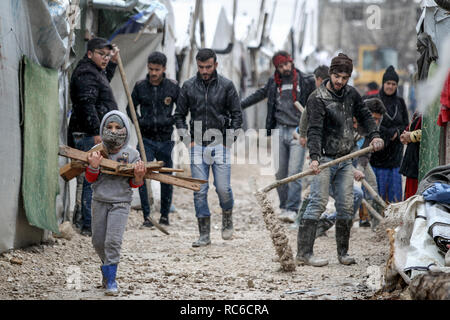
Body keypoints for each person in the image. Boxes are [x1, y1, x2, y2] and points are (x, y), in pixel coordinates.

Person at [297, 53, 384, 267]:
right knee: (317, 203)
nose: (340, 82)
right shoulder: (317, 98)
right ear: (330, 74)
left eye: (344, 78)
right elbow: (314, 130)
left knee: (346, 205)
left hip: (345, 158)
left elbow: (364, 116)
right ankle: (303, 253)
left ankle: (343, 253)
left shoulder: (352, 95)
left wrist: (374, 135)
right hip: (325, 159)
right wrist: (315, 158)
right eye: (337, 76)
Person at [174, 48, 242, 247]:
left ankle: (227, 215)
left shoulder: (227, 86)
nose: (204, 71)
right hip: (197, 145)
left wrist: (228, 142)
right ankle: (204, 234)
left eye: (208, 67)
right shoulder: (188, 86)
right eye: (201, 67)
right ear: (197, 65)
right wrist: (187, 140)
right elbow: (179, 115)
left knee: (223, 188)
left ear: (216, 65)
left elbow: (237, 115)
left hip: (220, 144)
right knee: (199, 190)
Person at [241, 51, 316, 223]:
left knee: (294, 172)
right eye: (280, 66)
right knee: (279, 173)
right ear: (277, 68)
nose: (285, 68)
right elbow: (259, 95)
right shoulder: (274, 82)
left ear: (291, 62)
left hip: (299, 131)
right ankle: (284, 207)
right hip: (278, 130)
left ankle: (292, 208)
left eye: (286, 64)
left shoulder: (306, 81)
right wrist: (239, 105)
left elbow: (317, 101)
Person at [85, 110, 146, 295]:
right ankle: (106, 267)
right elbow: (90, 179)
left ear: (125, 130)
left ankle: (111, 279)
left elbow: (135, 184)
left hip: (120, 202)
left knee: (112, 241)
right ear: (103, 128)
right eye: (109, 127)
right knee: (97, 241)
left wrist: (138, 176)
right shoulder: (96, 152)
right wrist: (94, 166)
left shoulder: (132, 154)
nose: (113, 131)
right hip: (100, 200)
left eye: (118, 128)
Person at [68, 37, 120, 236]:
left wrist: (113, 62)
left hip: (91, 133)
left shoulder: (94, 71)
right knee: (91, 176)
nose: (105, 58)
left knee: (91, 176)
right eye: (101, 54)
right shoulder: (85, 73)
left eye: (107, 55)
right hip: (87, 134)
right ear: (90, 53)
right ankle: (87, 223)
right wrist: (95, 131)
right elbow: (86, 104)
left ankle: (87, 221)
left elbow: (104, 81)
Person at [126, 51, 179, 228]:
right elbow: (130, 108)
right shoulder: (140, 86)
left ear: (164, 68)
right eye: (150, 69)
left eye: (157, 69)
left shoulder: (172, 87)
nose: (153, 73)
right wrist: (140, 122)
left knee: (166, 176)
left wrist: (171, 121)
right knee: (142, 173)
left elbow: (181, 110)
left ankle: (164, 216)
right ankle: (147, 216)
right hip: (145, 139)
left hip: (165, 139)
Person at [370, 66, 409, 203]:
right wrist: (388, 133)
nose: (390, 87)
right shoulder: (374, 101)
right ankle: (373, 216)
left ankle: (392, 219)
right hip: (378, 154)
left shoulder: (400, 102)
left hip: (395, 154)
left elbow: (406, 123)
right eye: (388, 83)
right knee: (376, 189)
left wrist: (397, 133)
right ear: (383, 83)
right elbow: (370, 123)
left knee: (394, 193)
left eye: (393, 84)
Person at [399, 112, 422, 200]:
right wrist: (405, 135)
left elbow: (434, 130)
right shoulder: (419, 112)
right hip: (413, 159)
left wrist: (412, 136)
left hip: (420, 160)